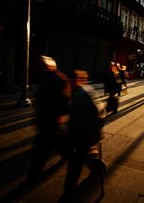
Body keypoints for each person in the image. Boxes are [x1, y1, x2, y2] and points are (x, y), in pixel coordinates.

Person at [59, 70, 105, 202]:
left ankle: (69, 192)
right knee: (78, 158)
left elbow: (98, 114)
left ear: (79, 80)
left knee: (75, 165)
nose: (71, 83)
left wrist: (94, 132)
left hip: (85, 135)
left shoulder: (84, 93)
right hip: (77, 134)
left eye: (73, 80)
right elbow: (68, 110)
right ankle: (96, 165)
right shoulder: (73, 93)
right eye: (70, 81)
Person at [27, 56, 71, 183]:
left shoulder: (60, 78)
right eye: (40, 66)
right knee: (58, 141)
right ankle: (67, 154)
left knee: (41, 149)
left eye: (43, 66)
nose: (40, 68)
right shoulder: (45, 78)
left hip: (53, 120)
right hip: (46, 120)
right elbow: (40, 98)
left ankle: (33, 176)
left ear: (50, 66)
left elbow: (66, 100)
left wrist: (60, 116)